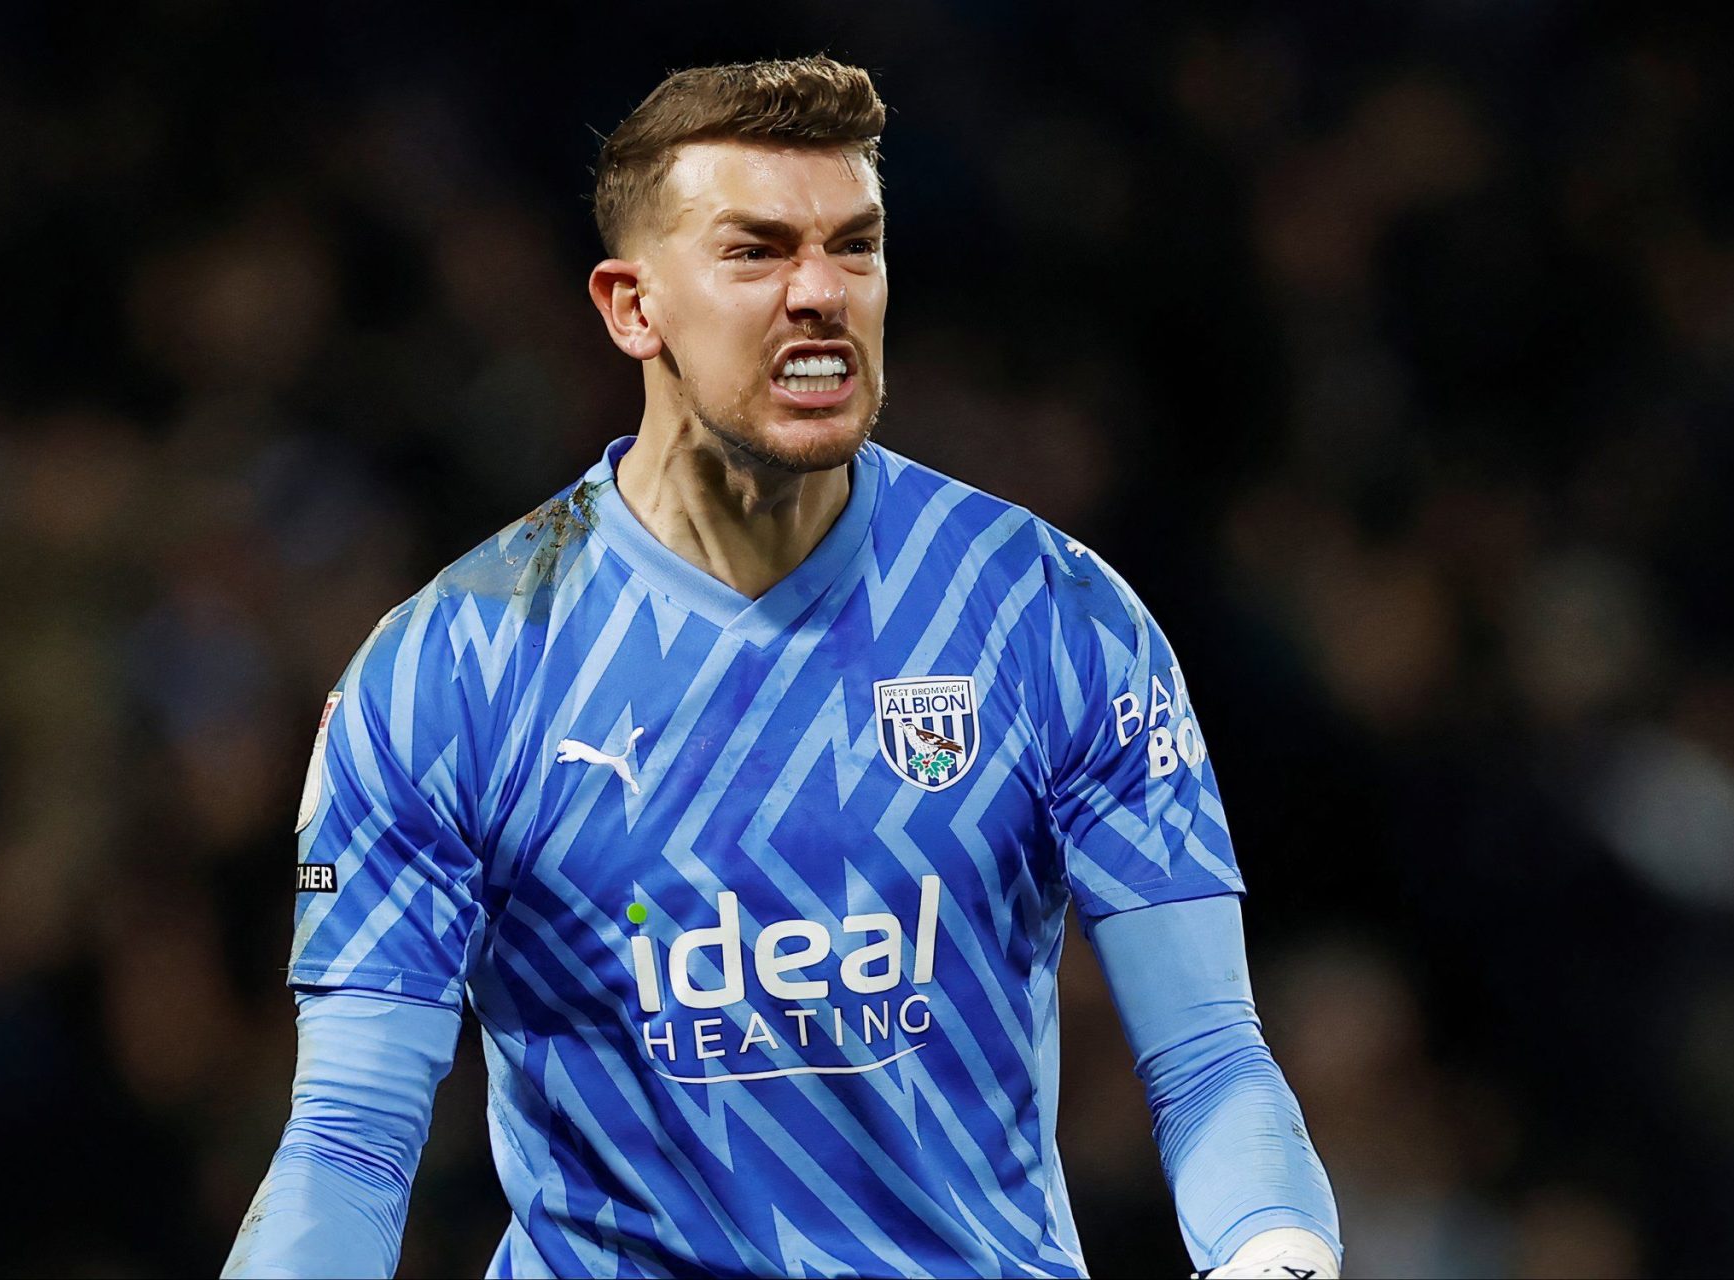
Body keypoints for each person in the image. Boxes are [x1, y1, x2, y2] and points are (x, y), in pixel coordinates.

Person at [225, 56, 1342, 1280]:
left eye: (853, 247)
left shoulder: (1048, 613)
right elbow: (349, 1143)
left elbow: (1209, 1059)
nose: (819, 292)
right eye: (755, 252)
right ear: (632, 307)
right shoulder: (451, 666)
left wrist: (1276, 1254)